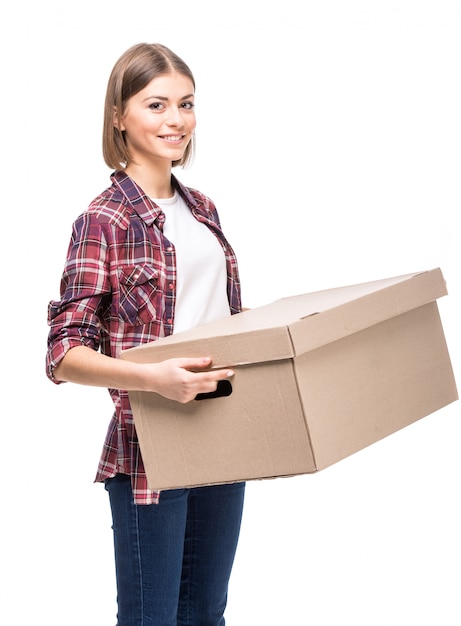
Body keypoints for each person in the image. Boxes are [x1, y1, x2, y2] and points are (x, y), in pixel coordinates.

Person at [46, 42, 245, 626]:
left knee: (206, 613)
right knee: (152, 618)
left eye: (185, 104)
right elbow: (63, 352)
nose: (175, 120)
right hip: (149, 442)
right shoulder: (102, 220)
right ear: (119, 115)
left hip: (226, 433)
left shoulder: (203, 208)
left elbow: (221, 319)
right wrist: (152, 378)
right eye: (156, 105)